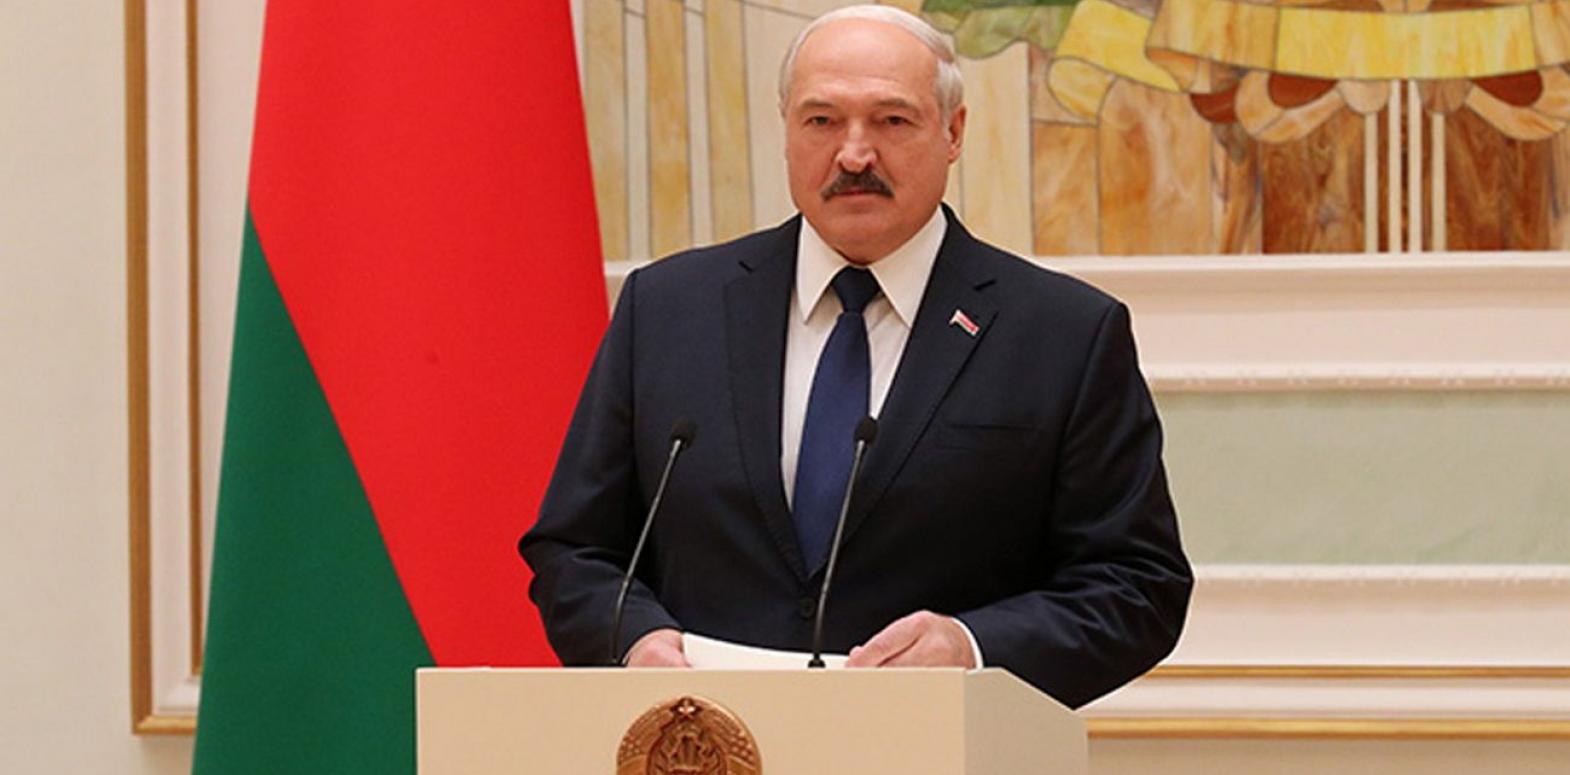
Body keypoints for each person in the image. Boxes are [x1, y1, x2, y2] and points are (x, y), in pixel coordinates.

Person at [519, 4, 1190, 708]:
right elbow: (575, 548)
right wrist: (634, 640)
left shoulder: (1064, 333)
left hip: (938, 742)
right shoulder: (667, 309)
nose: (854, 156)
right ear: (786, 130)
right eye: (822, 121)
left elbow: (1138, 585)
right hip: (702, 739)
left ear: (953, 132)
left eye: (892, 120)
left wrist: (972, 647)